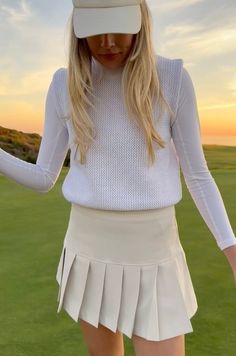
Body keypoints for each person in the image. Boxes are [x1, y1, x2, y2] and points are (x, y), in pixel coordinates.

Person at [0, 0, 236, 355]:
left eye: (118, 27)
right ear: (78, 27)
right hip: (88, 251)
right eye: (96, 29)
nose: (108, 41)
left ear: (140, 20)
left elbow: (198, 175)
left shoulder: (172, 78)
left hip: (156, 254)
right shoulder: (64, 84)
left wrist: (231, 248)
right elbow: (44, 176)